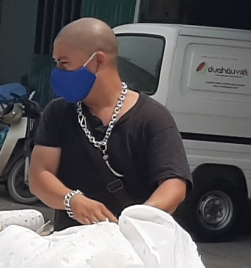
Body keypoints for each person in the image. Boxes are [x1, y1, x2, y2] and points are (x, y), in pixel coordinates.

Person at [30, 17, 191, 230]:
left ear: (97, 61)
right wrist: (72, 200)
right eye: (56, 62)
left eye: (64, 63)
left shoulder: (153, 117)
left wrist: (137, 219)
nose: (58, 71)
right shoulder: (58, 113)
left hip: (131, 250)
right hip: (70, 248)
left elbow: (174, 184)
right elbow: (39, 174)